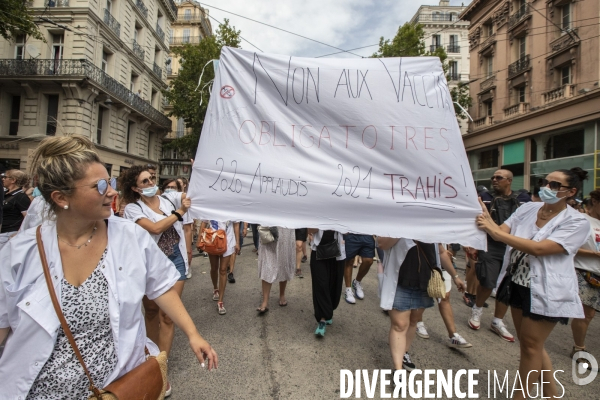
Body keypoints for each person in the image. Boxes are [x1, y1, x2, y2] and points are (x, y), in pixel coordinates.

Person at [0, 135, 217, 399]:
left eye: (111, 182)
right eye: (101, 185)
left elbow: (161, 287)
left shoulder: (129, 236)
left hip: (116, 389)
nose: (112, 192)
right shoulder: (19, 253)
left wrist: (193, 334)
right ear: (60, 198)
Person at [476, 167, 590, 399]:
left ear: (572, 191)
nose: (547, 188)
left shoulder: (577, 221)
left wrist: (495, 232)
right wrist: (484, 216)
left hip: (547, 290)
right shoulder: (528, 208)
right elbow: (499, 231)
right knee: (531, 345)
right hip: (517, 282)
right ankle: (551, 394)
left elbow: (539, 249)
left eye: (555, 185)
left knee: (530, 346)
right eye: (545, 182)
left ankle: (521, 396)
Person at [122, 165, 191, 396]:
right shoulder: (132, 209)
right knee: (151, 312)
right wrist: (180, 212)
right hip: (150, 265)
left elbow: (189, 193)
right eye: (145, 182)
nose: (151, 183)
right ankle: (150, 361)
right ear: (135, 188)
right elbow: (154, 227)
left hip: (176, 260)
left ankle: (161, 367)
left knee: (167, 316)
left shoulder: (168, 199)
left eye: (152, 179)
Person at [378, 238, 460, 371]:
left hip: (424, 281)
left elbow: (441, 252)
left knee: (413, 321)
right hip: (399, 280)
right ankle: (398, 370)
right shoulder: (396, 220)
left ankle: (404, 353)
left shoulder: (431, 223)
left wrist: (455, 277)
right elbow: (382, 243)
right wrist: (406, 225)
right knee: (399, 325)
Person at [469, 169, 530, 342]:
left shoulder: (523, 200)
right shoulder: (484, 198)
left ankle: (497, 320)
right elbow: (475, 221)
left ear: (509, 180)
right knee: (488, 281)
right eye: (493, 177)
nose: (494, 180)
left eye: (499, 178)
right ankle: (477, 309)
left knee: (507, 285)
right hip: (490, 245)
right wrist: (473, 244)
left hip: (514, 246)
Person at [415, 245, 472, 348]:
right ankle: (418, 323)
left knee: (444, 297)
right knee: (425, 294)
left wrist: (456, 277)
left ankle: (453, 334)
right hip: (426, 260)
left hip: (443, 261)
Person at [570, 189, 600, 366]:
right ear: (595, 201)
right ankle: (579, 348)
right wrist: (594, 254)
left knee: (589, 314)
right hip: (584, 271)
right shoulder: (582, 221)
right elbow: (569, 246)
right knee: (587, 313)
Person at [307, 229, 346, 336]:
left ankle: (328, 311)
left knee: (335, 284)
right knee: (320, 284)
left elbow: (347, 230)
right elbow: (310, 229)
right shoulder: (317, 212)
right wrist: (322, 224)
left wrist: (336, 226)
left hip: (338, 252)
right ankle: (322, 319)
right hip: (318, 251)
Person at [199, 220, 240, 314]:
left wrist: (237, 242)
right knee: (214, 268)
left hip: (228, 240)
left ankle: (220, 301)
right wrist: (199, 241)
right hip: (212, 238)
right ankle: (215, 288)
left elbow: (236, 224)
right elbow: (204, 222)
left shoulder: (232, 206)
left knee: (223, 270)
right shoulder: (211, 205)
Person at [256, 227, 295, 313]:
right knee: (267, 263)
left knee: (283, 261)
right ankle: (265, 301)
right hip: (268, 225)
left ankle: (282, 294)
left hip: (285, 229)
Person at [0, 169, 31, 248]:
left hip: (7, 234)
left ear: (13, 180)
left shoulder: (21, 197)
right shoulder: (5, 194)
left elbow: (27, 218)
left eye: (5, 177)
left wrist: (19, 233)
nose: (3, 179)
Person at [343, 233, 376, 304]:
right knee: (349, 261)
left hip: (367, 233)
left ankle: (357, 282)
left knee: (369, 260)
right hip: (351, 233)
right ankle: (348, 289)